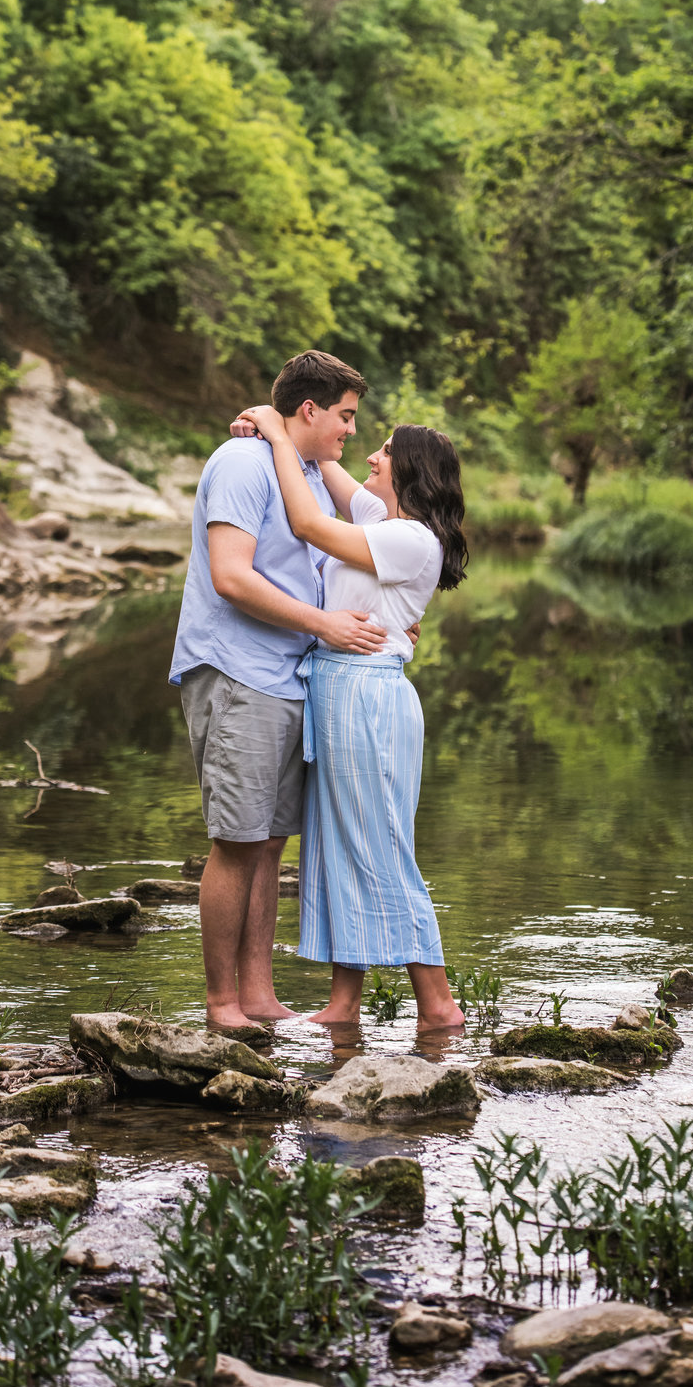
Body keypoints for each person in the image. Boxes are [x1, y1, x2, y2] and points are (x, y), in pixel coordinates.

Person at [169, 350, 391, 1031]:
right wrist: (325, 624)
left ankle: (259, 997)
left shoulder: (306, 473)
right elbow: (232, 577)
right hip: (237, 670)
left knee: (269, 842)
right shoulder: (241, 463)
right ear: (311, 410)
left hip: (288, 677)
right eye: (346, 416)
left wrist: (272, 425)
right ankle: (220, 1003)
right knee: (237, 839)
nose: (351, 430)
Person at [236, 401, 468, 1030]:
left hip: (366, 698)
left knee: (382, 846)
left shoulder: (408, 538)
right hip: (338, 694)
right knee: (339, 844)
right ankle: (345, 1004)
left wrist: (281, 434)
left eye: (386, 451)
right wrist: (273, 429)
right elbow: (324, 462)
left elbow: (309, 522)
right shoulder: (380, 516)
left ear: (411, 470)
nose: (371, 454)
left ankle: (438, 1003)